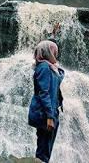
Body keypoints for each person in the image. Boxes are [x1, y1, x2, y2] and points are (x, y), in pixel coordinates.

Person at [28, 25, 64, 163]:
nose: (56, 53)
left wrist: (53, 35)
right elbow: (44, 93)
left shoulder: (51, 67)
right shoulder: (44, 68)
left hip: (51, 112)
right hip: (45, 114)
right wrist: (49, 116)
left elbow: (59, 77)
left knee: (46, 147)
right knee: (44, 149)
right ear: (48, 52)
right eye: (53, 51)